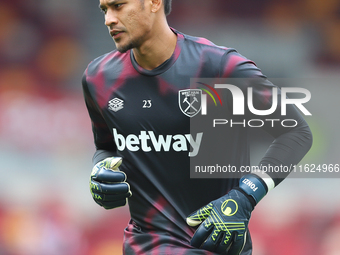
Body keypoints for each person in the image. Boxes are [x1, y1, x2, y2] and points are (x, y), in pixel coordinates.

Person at [82, 0, 313, 254]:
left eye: (118, 6)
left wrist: (246, 196)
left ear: (154, 2)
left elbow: (296, 131)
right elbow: (106, 146)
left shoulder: (218, 67)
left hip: (215, 244)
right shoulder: (99, 78)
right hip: (145, 246)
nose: (109, 19)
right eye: (105, 10)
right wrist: (99, 171)